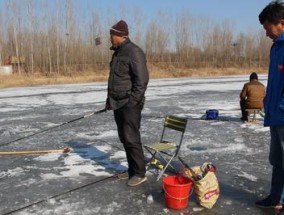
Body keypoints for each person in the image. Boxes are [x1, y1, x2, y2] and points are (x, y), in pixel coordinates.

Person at [105, 20, 149, 186]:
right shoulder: (117, 53)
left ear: (121, 35)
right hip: (117, 102)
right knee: (124, 138)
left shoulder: (134, 52)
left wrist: (133, 102)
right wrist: (109, 100)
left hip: (129, 104)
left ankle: (139, 172)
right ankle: (131, 170)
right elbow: (115, 80)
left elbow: (142, 80)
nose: (110, 38)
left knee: (131, 138)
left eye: (112, 34)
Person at [255, 1, 284, 210]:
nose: (266, 33)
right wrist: (267, 99)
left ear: (281, 23)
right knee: (277, 160)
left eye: (268, 28)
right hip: (275, 114)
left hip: (283, 114)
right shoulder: (276, 48)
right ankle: (276, 197)